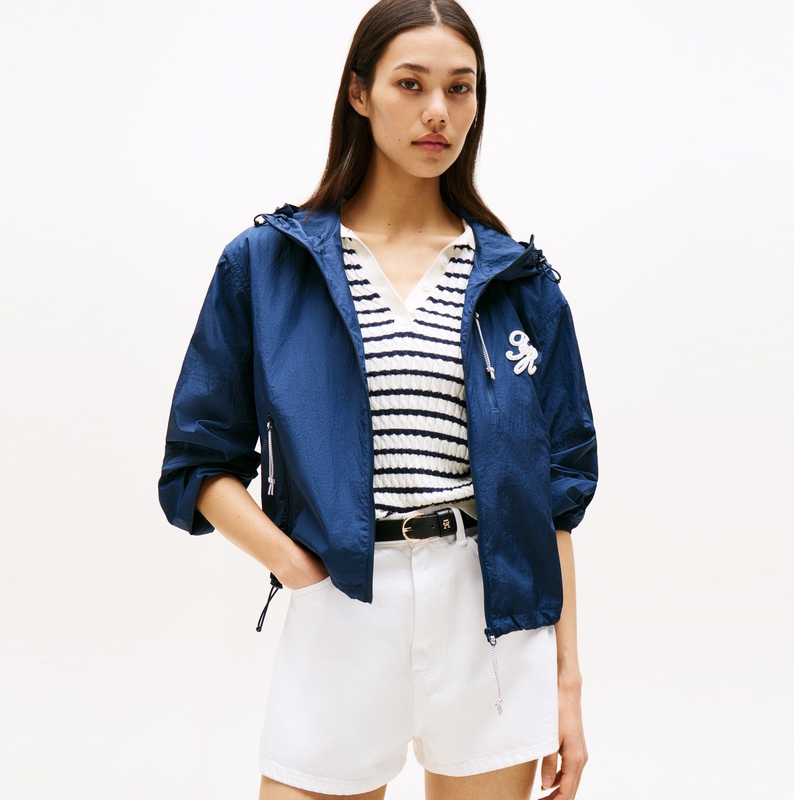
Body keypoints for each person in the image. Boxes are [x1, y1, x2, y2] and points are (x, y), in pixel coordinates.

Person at [158, 0, 598, 798]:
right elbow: (198, 462)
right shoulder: (267, 266)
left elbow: (556, 498)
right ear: (359, 93)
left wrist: (566, 685)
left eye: (460, 88)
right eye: (411, 83)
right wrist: (298, 569)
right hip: (342, 606)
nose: (438, 112)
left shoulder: (520, 283)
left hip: (492, 618)